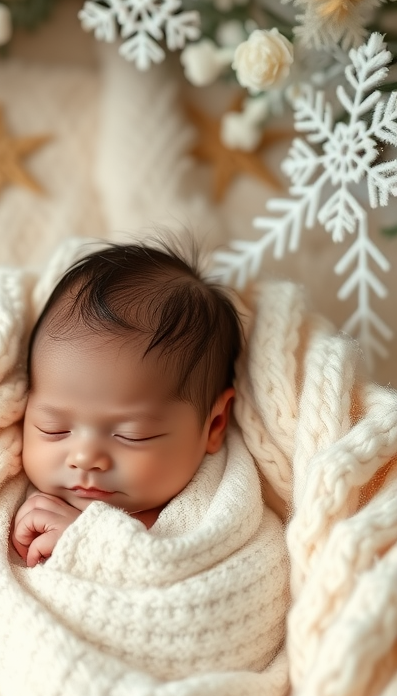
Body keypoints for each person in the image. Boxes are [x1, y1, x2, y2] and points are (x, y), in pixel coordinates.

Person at [12, 238, 243, 567]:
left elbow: (183, 577)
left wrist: (88, 540)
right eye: (55, 429)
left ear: (214, 424)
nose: (85, 458)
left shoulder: (215, 508)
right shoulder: (9, 499)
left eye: (133, 435)